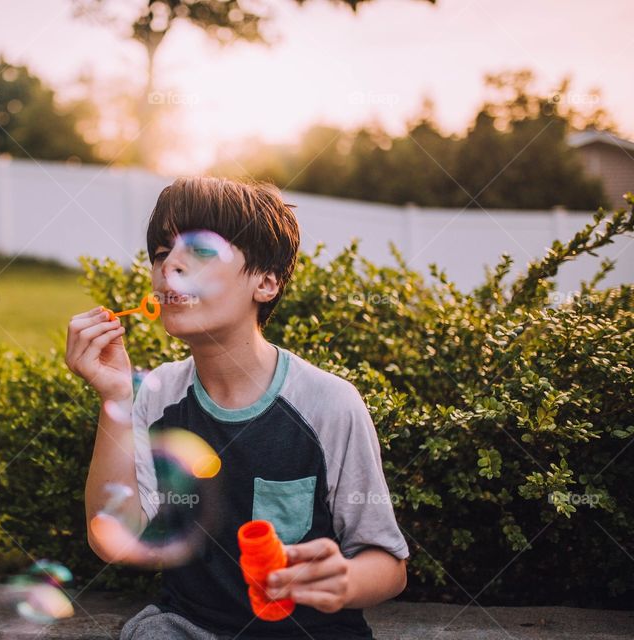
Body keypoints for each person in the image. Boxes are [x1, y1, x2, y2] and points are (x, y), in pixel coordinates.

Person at [65, 176, 408, 639]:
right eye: (162, 253)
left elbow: (388, 563)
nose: (171, 268)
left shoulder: (329, 403)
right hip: (190, 628)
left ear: (266, 282)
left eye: (201, 251)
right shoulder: (157, 394)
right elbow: (114, 540)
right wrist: (114, 398)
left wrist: (344, 582)